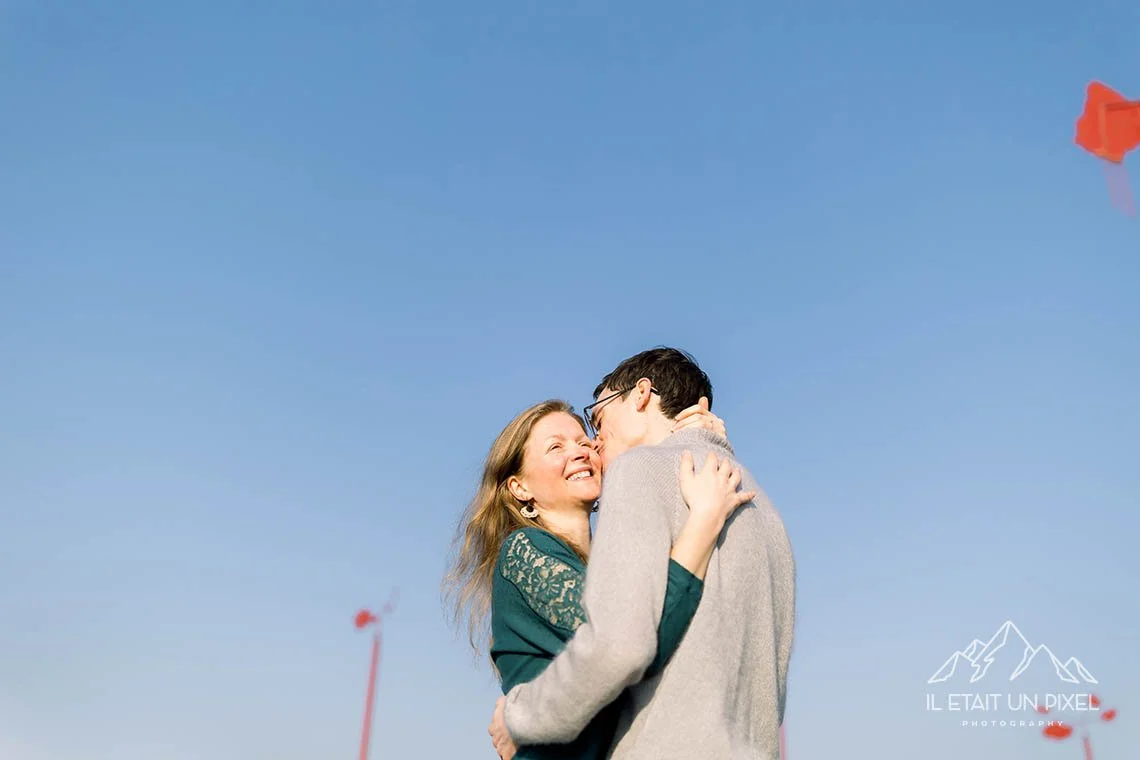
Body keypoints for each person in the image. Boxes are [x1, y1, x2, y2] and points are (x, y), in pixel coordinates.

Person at [489, 348, 796, 760]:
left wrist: (516, 716)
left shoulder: (640, 472)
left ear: (641, 395)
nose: (592, 445)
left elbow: (620, 647)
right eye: (556, 447)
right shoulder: (764, 510)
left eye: (593, 424)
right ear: (518, 487)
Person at [444, 396, 752, 760]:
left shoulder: (610, 561)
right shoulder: (525, 551)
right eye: (556, 447)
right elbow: (628, 644)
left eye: (584, 442)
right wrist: (705, 518)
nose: (579, 452)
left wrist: (688, 439)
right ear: (519, 488)